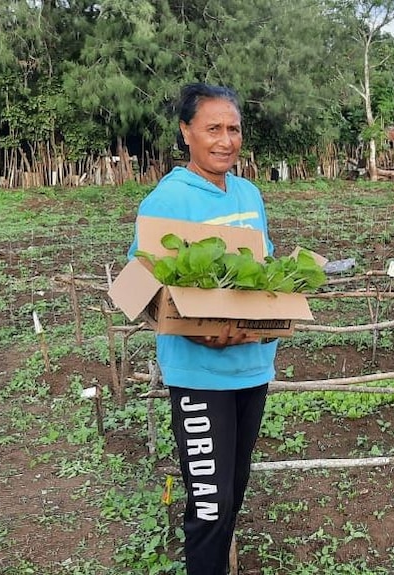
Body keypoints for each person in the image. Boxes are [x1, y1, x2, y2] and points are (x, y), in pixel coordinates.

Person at [127, 83, 276, 575]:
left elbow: (265, 269)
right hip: (199, 375)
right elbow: (139, 288)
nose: (225, 140)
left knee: (233, 491)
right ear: (186, 132)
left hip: (252, 366)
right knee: (209, 505)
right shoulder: (166, 201)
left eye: (233, 129)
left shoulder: (249, 192)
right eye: (213, 128)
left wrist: (272, 317)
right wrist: (191, 327)